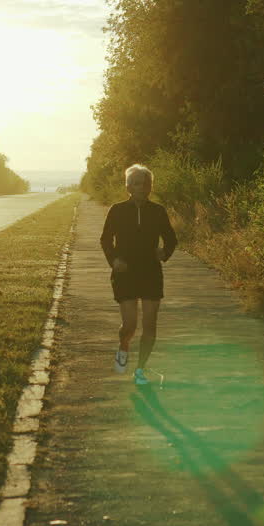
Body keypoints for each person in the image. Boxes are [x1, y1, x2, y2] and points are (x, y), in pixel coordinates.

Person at [99, 164, 177, 385]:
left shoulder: (158, 211)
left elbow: (171, 239)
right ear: (128, 187)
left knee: (150, 325)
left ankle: (141, 369)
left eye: (145, 183)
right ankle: (124, 347)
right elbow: (105, 240)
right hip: (126, 273)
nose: (141, 187)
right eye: (136, 183)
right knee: (130, 325)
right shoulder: (117, 210)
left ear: (150, 187)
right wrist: (114, 260)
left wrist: (165, 252)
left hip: (151, 272)